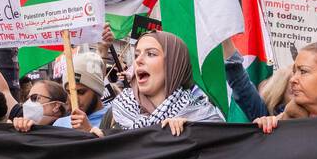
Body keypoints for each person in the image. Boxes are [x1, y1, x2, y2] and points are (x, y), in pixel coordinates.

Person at [89, 32, 223, 136]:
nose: (139, 60)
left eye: (151, 54)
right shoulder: (116, 113)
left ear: (174, 64)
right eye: (136, 55)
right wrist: (97, 142)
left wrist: (192, 133)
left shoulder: (202, 117)